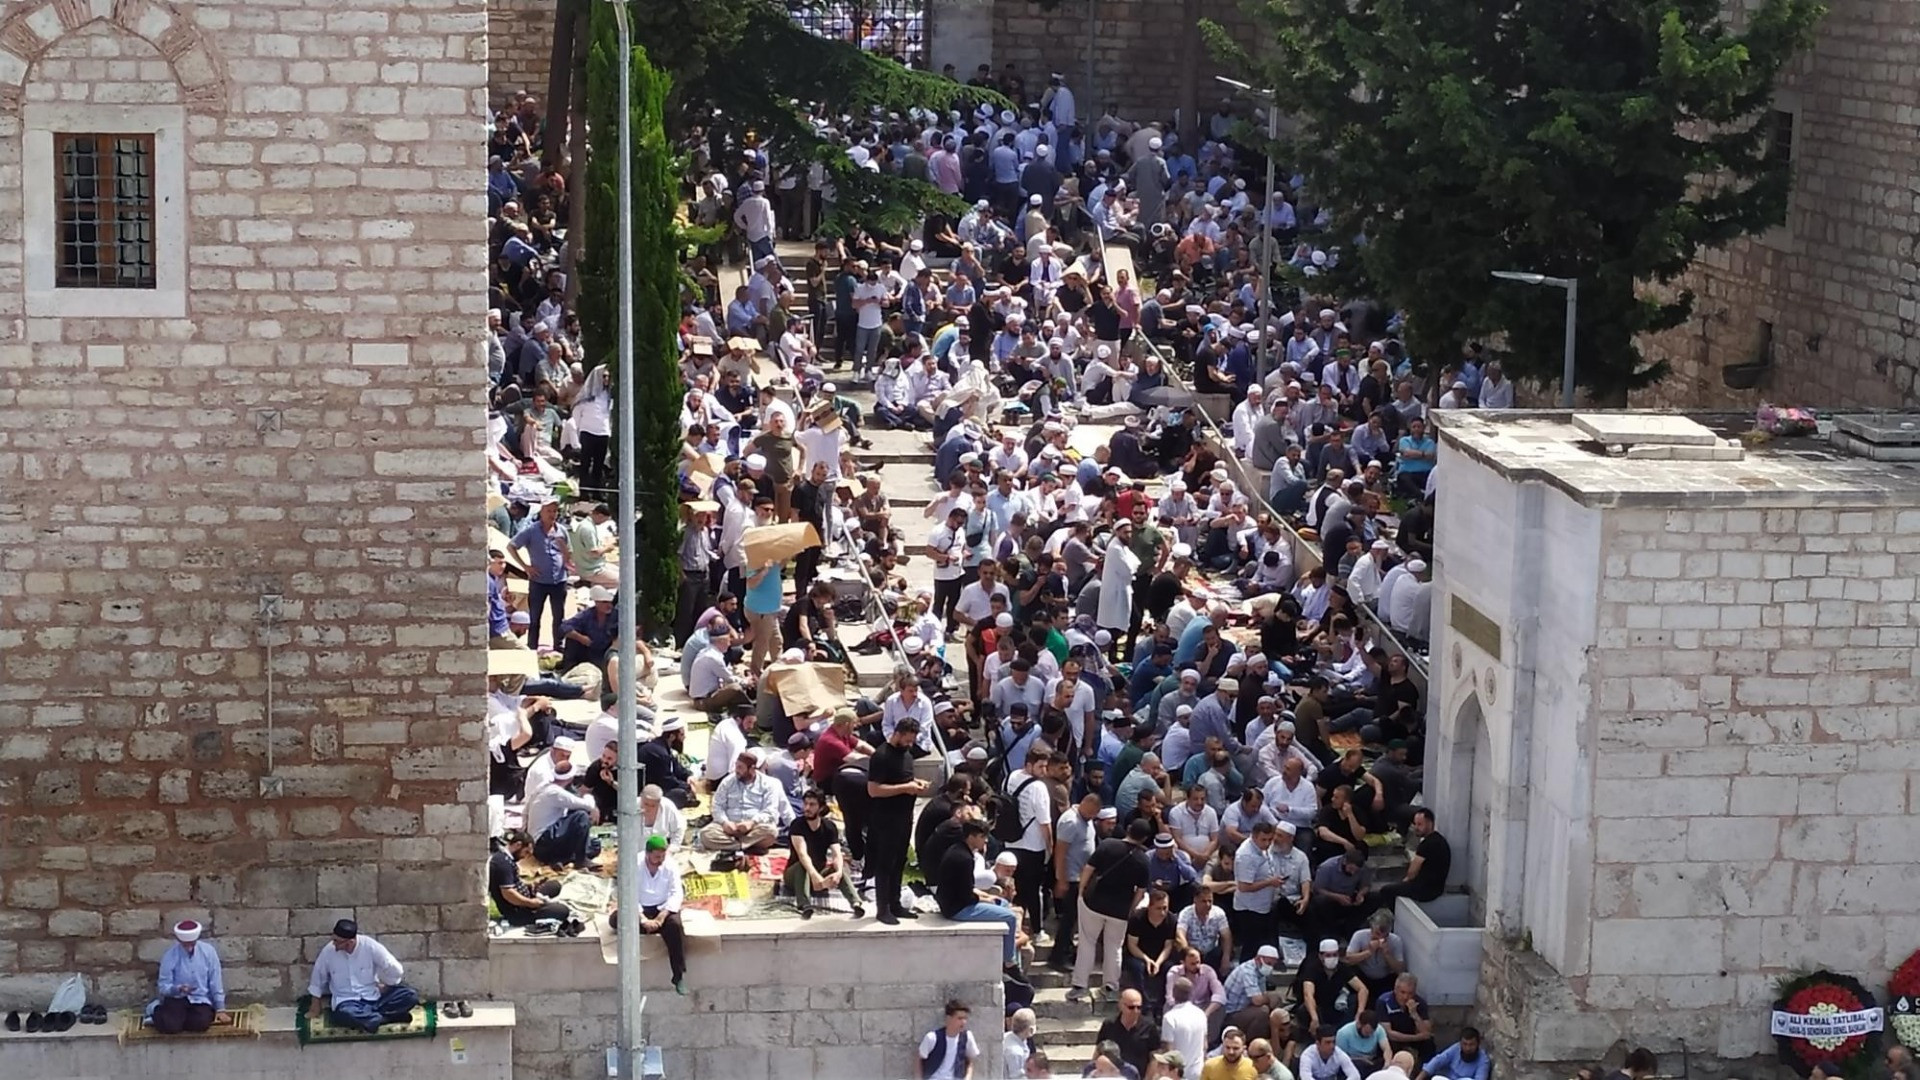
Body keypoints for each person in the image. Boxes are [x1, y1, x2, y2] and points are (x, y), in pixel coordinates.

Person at [1071, 819, 1152, 1003]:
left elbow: (1088, 869)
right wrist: (1129, 910)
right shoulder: (1143, 860)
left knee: (1087, 942)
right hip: (1120, 910)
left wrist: (1081, 891)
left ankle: (1080, 985)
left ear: (1128, 828)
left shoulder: (1107, 845)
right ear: (1145, 838)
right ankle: (1110, 986)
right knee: (1114, 948)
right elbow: (1140, 892)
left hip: (1094, 903)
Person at [868, 716, 933, 924]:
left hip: (904, 817)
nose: (910, 743)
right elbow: (874, 790)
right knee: (885, 864)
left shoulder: (906, 755)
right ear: (898, 733)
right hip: (886, 818)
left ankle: (895, 903)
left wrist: (915, 783)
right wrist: (906, 788)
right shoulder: (881, 755)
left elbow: (903, 778)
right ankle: (883, 907)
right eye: (908, 738)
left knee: (899, 861)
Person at [305, 919, 420, 1034]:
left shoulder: (370, 946)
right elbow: (318, 978)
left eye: (337, 941)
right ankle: (388, 1018)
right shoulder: (329, 951)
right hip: (348, 1002)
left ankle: (373, 1020)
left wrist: (387, 984)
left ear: (349, 942)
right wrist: (315, 1006)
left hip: (374, 998)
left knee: (410, 995)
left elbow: (394, 968)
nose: (333, 943)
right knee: (344, 1014)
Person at [935, 819, 1023, 968]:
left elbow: (966, 887)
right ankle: (1009, 961)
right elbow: (966, 896)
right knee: (1010, 917)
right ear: (971, 837)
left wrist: (987, 897)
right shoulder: (964, 859)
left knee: (1004, 904)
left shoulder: (958, 850)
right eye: (982, 837)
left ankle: (1010, 953)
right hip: (957, 908)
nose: (986, 840)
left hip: (956, 902)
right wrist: (985, 900)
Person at [621, 834, 689, 993]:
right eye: (657, 856)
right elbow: (629, 893)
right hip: (639, 909)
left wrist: (661, 917)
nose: (660, 860)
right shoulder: (634, 865)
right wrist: (642, 918)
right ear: (648, 854)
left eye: (662, 856)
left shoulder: (670, 866)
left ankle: (678, 975)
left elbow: (676, 893)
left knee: (675, 927)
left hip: (661, 909)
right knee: (617, 921)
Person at [786, 789, 866, 919]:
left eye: (812, 805)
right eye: (805, 804)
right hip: (796, 874)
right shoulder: (797, 825)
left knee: (839, 867)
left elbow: (837, 853)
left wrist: (838, 872)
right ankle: (804, 905)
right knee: (803, 866)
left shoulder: (829, 826)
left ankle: (855, 903)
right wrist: (814, 876)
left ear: (821, 807)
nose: (807, 808)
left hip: (820, 871)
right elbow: (802, 853)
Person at [149, 919, 227, 1034]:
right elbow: (163, 986)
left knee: (201, 1023)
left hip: (200, 999)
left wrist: (220, 1008)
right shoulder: (170, 956)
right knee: (170, 1026)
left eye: (192, 944)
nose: (189, 948)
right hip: (176, 999)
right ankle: (155, 1009)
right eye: (186, 944)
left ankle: (179, 1020)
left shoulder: (209, 952)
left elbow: (215, 981)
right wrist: (178, 989)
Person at [490, 829, 574, 926]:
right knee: (562, 910)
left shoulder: (507, 859)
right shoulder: (502, 863)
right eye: (526, 852)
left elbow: (514, 882)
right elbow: (508, 894)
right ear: (518, 845)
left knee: (554, 885)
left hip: (526, 898)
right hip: (519, 912)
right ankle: (538, 912)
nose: (525, 857)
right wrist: (531, 903)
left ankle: (541, 901)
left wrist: (530, 885)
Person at [1377, 809, 1450, 906]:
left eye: (1420, 824)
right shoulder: (1440, 840)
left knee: (1386, 891)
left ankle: (1396, 914)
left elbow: (1413, 870)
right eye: (1415, 824)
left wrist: (1405, 881)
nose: (1416, 827)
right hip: (1437, 888)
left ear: (1429, 824)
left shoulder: (1427, 844)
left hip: (1425, 890)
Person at [1221, 945, 1289, 1047]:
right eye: (1269, 963)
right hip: (1231, 1014)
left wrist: (1270, 998)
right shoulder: (1247, 971)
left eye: (1272, 965)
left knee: (1275, 1005)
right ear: (1258, 959)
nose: (1270, 967)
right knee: (1263, 1011)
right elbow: (1257, 1000)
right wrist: (1270, 998)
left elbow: (1263, 995)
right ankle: (1251, 1044)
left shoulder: (1260, 972)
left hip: (1245, 1009)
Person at [1095, 987, 1162, 1079]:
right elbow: (1098, 1052)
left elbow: (1154, 1057)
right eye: (1131, 1007)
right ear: (1121, 1005)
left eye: (1139, 1007)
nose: (1135, 1011)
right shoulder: (1109, 1025)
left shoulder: (1149, 1027)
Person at [918, 998, 980, 1080]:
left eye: (965, 1018)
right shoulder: (932, 1038)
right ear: (949, 1018)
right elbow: (919, 1059)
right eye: (960, 1018)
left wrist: (967, 1078)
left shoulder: (967, 1037)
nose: (963, 1022)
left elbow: (970, 1061)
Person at [1418, 1029, 1491, 1080]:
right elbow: (1438, 1061)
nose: (1468, 1048)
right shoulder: (1456, 1048)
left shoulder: (1483, 1060)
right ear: (1460, 1043)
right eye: (1465, 1044)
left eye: (1471, 1045)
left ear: (1478, 1044)